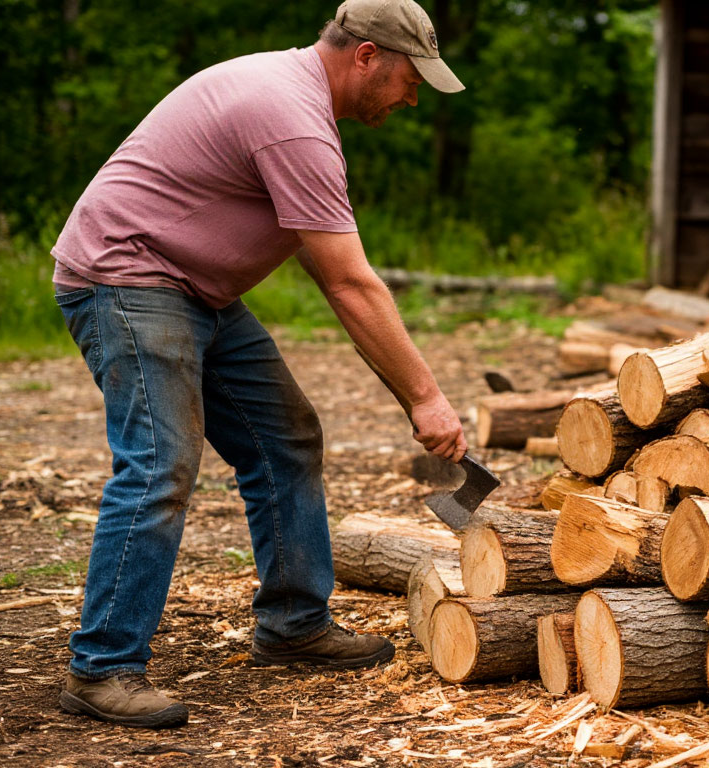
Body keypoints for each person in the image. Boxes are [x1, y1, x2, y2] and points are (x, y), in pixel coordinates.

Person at [48, 0, 467, 729]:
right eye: (409, 78)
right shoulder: (292, 117)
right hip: (128, 279)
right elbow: (349, 284)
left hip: (192, 287)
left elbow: (332, 273)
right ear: (366, 56)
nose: (412, 94)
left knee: (284, 437)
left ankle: (293, 624)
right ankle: (103, 667)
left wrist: (414, 394)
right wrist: (427, 400)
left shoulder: (297, 102)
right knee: (158, 464)